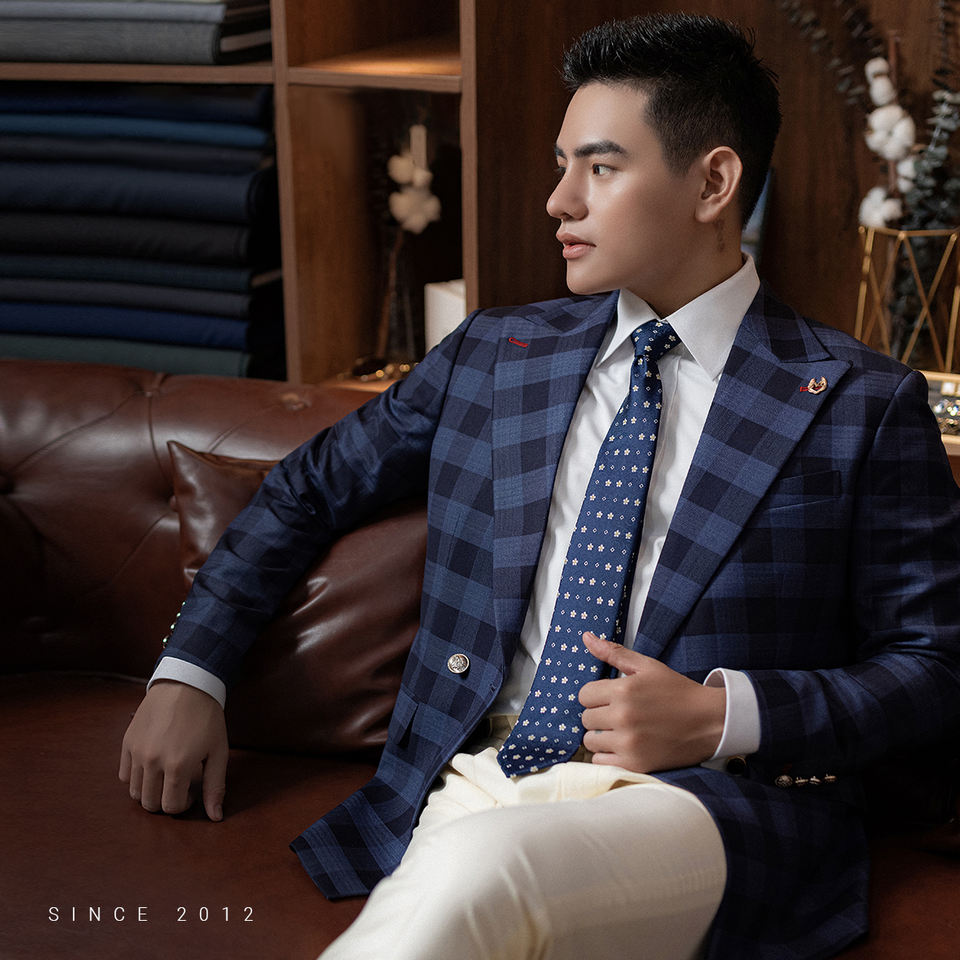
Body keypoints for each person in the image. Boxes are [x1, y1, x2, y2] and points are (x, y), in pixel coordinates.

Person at [119, 12, 960, 959]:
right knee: (467, 867)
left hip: (704, 802)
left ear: (712, 183)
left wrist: (724, 716)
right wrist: (191, 671)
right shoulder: (495, 354)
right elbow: (308, 488)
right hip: (471, 780)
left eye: (600, 168)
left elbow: (934, 665)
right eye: (564, 165)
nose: (558, 200)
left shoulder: (858, 401)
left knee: (480, 870)